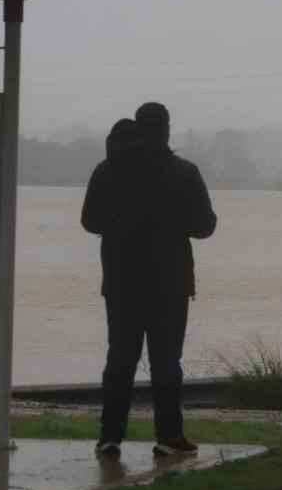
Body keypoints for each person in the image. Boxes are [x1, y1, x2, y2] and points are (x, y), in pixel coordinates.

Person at [81, 103, 217, 459]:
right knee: (167, 362)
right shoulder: (184, 173)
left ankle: (109, 438)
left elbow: (89, 221)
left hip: (121, 282)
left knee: (120, 359)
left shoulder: (108, 171)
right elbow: (206, 227)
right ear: (167, 130)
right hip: (170, 284)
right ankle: (169, 437)